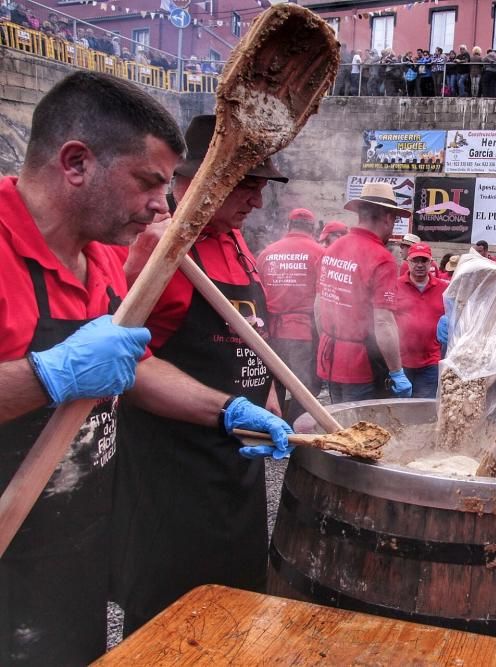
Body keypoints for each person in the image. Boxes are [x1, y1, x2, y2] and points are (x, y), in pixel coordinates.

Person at [0, 73, 289, 664]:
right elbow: (76, 371)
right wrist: (47, 375)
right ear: (76, 162)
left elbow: (134, 367)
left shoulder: (104, 256)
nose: (164, 205)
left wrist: (227, 411)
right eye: (149, 183)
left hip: (74, 552)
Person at [112, 113, 295, 636]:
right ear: (207, 178)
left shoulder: (237, 242)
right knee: (169, 621)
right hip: (174, 471)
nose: (258, 200)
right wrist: (228, 408)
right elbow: (127, 364)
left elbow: (250, 335)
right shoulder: (158, 245)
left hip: (236, 469)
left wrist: (270, 397)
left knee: (234, 606)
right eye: (250, 185)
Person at [315, 182, 413, 402]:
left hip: (329, 358)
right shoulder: (382, 258)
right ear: (388, 218)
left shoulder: (332, 248)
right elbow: (383, 322)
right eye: (395, 220)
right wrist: (397, 371)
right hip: (361, 367)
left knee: (338, 429)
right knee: (364, 432)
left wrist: (327, 338)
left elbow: (319, 304)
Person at [257, 207, 325, 422]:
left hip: (270, 333)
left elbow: (257, 293)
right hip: (304, 335)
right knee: (305, 390)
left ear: (288, 225)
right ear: (312, 228)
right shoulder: (319, 253)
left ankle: (271, 432)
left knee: (272, 387)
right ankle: (297, 440)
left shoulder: (267, 253)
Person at [395, 243, 447, 398]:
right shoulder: (395, 286)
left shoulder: (443, 289)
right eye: (415, 260)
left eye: (423, 260)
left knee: (424, 409)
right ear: (408, 262)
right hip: (400, 362)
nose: (419, 265)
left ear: (430, 263)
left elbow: (458, 316)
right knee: (399, 411)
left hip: (430, 362)